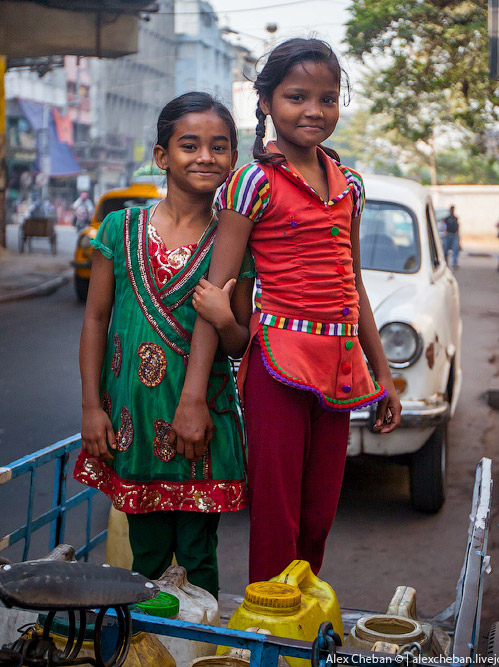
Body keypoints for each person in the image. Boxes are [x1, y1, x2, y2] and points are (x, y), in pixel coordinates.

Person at [169, 38, 402, 584]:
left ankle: (300, 615)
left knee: (318, 518)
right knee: (277, 517)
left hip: (340, 368)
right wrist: (193, 395)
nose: (314, 111)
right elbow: (216, 292)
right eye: (297, 97)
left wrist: (384, 374)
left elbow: (353, 284)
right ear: (267, 102)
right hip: (277, 367)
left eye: (327, 99)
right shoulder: (253, 182)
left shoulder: (351, 186)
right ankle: (268, 624)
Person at [72, 92, 251, 598]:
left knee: (197, 558)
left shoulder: (234, 243)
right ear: (162, 156)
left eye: (219, 147)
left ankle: (197, 638)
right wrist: (91, 408)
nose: (205, 157)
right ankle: (149, 639)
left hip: (202, 426)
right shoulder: (119, 229)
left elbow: (239, 342)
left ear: (234, 159)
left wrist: (223, 318)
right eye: (189, 145)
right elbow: (96, 320)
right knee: (146, 555)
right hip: (133, 424)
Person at [442, 205, 460, 269]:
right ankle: (445, 263)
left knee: (455, 249)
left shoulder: (455, 218)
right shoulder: (447, 218)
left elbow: (458, 226)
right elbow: (442, 225)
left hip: (454, 235)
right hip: (448, 235)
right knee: (445, 250)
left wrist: (458, 234)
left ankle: (454, 263)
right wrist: (444, 232)